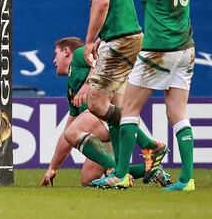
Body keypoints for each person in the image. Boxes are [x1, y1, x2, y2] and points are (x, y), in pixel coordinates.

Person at [52, 0, 195, 191]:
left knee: (114, 106)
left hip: (149, 46)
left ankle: (142, 154)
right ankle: (184, 179)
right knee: (175, 113)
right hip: (186, 47)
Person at [40, 37, 171, 187]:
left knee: (74, 132)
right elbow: (67, 134)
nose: (53, 61)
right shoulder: (72, 89)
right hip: (110, 122)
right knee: (87, 179)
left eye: (55, 54)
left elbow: (103, 58)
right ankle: (151, 170)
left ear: (66, 52)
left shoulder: (79, 55)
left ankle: (147, 148)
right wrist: (52, 168)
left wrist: (88, 83)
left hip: (110, 113)